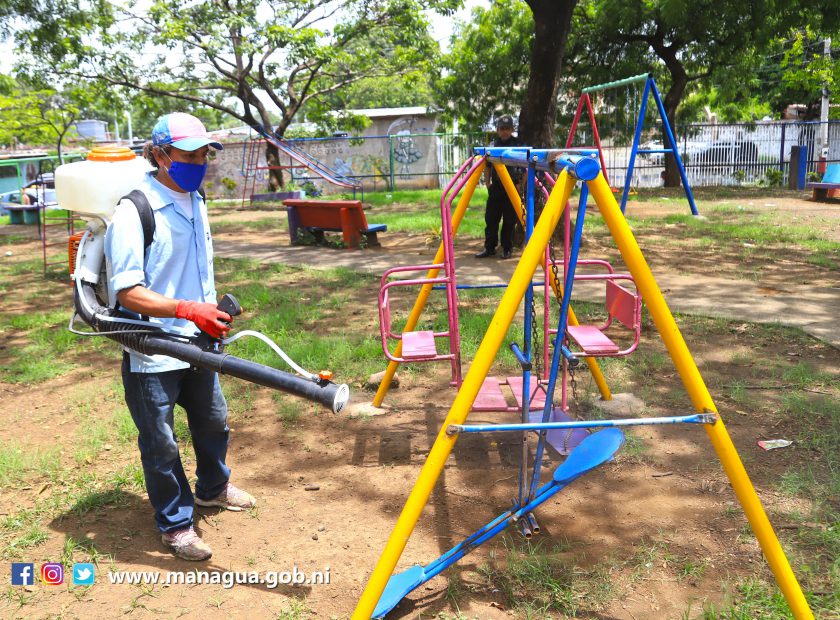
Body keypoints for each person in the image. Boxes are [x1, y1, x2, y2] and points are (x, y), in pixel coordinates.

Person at [105, 112, 255, 561]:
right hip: (153, 350)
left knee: (213, 421)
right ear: (158, 155)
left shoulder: (197, 198)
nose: (197, 163)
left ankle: (213, 488)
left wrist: (207, 309)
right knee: (160, 440)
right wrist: (187, 309)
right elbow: (127, 292)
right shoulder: (135, 211)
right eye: (187, 155)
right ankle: (175, 523)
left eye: (203, 154)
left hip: (200, 341)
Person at [475, 115, 523, 260]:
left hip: (512, 187)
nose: (504, 132)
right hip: (496, 187)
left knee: (509, 221)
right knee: (491, 219)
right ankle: (489, 248)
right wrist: (487, 181)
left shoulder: (518, 145)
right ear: (497, 130)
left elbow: (526, 167)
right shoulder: (493, 145)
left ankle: (507, 249)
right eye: (502, 129)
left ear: (512, 129)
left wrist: (522, 184)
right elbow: (487, 165)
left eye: (507, 129)